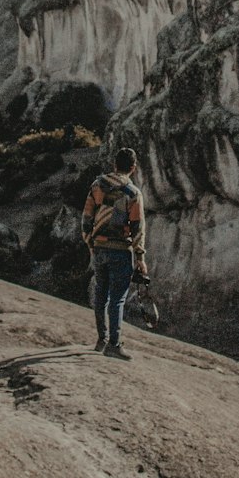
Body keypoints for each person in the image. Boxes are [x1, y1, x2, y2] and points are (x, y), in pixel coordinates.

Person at [82, 146, 147, 360]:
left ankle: (101, 340)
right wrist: (140, 257)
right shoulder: (133, 192)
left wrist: (90, 243)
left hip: (99, 247)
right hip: (121, 250)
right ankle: (114, 344)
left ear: (114, 164)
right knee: (117, 299)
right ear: (133, 168)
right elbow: (137, 227)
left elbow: (87, 218)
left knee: (101, 294)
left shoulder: (97, 185)